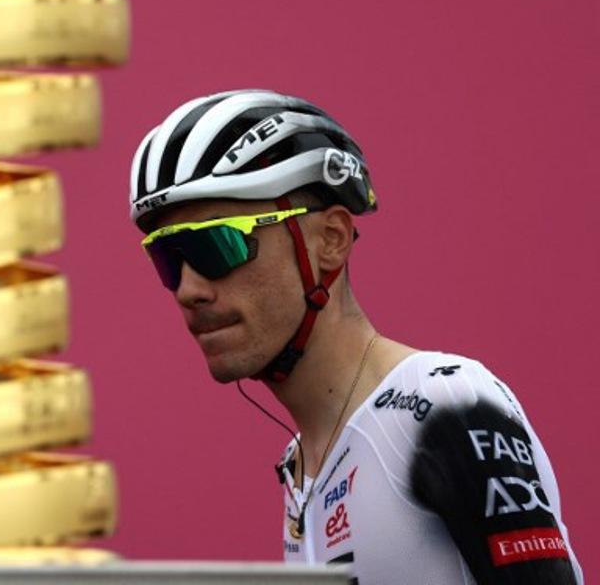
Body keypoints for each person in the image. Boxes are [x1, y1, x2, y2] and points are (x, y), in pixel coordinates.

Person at [129, 89, 582, 583]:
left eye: (217, 245)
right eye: (168, 260)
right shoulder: (301, 462)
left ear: (331, 241)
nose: (188, 289)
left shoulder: (443, 402)